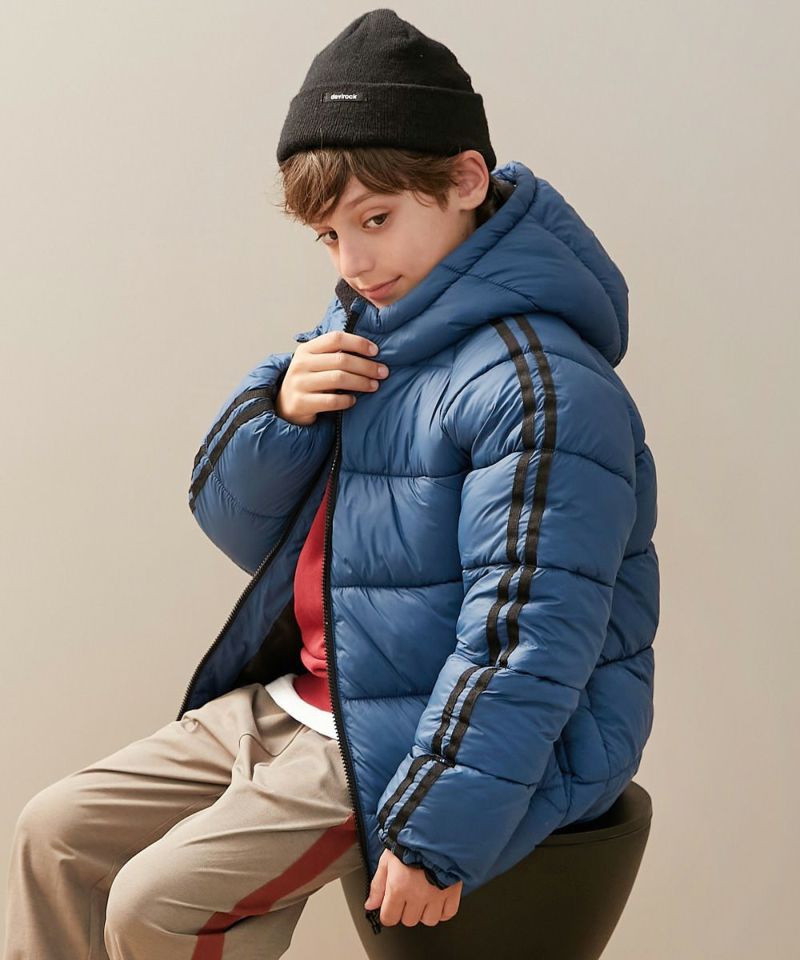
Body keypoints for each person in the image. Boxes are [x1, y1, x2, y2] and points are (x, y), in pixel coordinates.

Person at [2, 7, 659, 958]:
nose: (353, 262)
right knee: (51, 834)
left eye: (375, 219)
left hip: (415, 734)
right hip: (310, 696)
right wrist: (280, 410)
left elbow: (528, 634)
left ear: (465, 180)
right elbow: (248, 539)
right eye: (328, 235)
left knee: (159, 903)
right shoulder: (371, 336)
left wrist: (437, 829)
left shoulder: (540, 384)